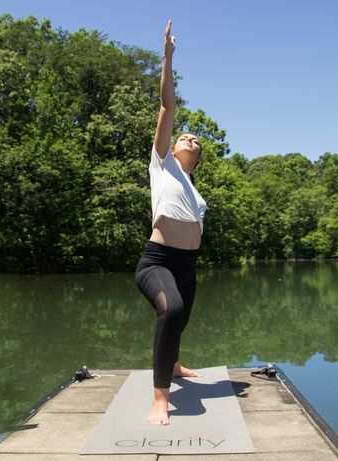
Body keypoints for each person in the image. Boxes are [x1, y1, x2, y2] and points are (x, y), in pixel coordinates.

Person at [134, 20, 207, 425]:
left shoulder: (195, 190)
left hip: (188, 266)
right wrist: (167, 57)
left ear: (198, 157)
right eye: (185, 136)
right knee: (172, 310)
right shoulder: (162, 165)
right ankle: (161, 396)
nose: (190, 138)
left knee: (183, 316)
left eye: (196, 141)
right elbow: (167, 107)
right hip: (158, 261)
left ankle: (174, 364)